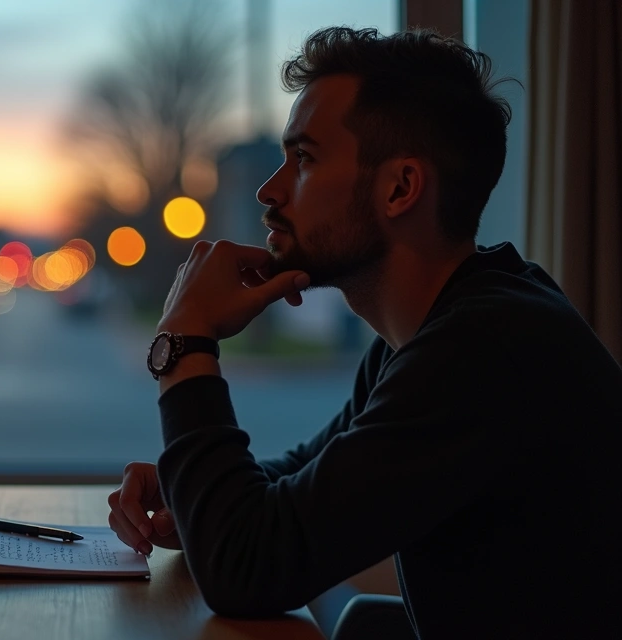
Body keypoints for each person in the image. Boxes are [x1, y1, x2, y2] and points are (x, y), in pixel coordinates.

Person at [108, 26, 622, 639]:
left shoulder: (485, 348)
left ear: (400, 188)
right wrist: (188, 498)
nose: (269, 191)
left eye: (304, 159)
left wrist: (184, 340)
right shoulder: (432, 333)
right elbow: (306, 479)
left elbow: (245, 566)